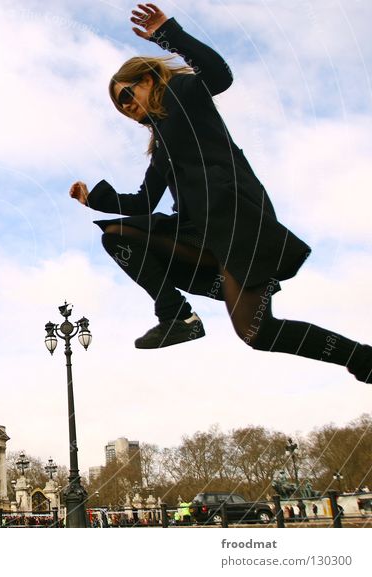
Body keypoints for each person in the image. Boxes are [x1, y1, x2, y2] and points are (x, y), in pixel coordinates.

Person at [69, 3, 372, 383]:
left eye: (127, 95)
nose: (126, 107)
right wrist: (92, 198)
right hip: (201, 233)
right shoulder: (161, 145)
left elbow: (219, 76)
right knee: (117, 234)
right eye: (119, 105)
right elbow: (143, 202)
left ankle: (362, 358)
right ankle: (177, 317)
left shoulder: (183, 95)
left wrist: (169, 34)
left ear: (147, 80)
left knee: (255, 331)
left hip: (236, 223)